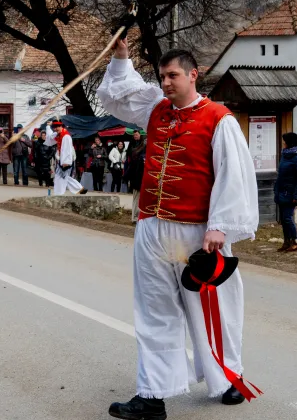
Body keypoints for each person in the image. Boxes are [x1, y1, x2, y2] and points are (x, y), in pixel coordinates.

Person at [96, 40, 259, 417]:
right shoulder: (155, 108)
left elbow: (234, 176)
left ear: (192, 75)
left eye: (173, 76)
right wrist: (121, 60)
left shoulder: (219, 118)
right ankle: (153, 394)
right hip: (152, 226)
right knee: (154, 310)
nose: (166, 83)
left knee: (211, 309)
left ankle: (229, 378)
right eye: (162, 76)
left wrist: (220, 225)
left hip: (197, 231)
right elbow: (118, 97)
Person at [275, 132, 297, 252]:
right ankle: (286, 241)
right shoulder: (284, 155)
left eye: (284, 141)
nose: (283, 143)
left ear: (289, 143)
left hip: (291, 193)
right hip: (281, 191)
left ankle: (295, 241)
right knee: (284, 219)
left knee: (288, 218)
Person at [45, 121, 87, 196]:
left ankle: (59, 193)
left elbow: (67, 151)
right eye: (55, 127)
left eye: (58, 126)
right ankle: (79, 189)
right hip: (62, 159)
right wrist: (48, 127)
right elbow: (50, 138)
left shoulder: (66, 136)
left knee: (61, 177)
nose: (56, 128)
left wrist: (65, 162)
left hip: (66, 160)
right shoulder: (58, 135)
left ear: (62, 126)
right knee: (62, 176)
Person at [125, 132, 146, 223]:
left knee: (139, 198)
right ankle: (135, 217)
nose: (135, 136)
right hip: (137, 177)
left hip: (140, 177)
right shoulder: (136, 152)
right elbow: (130, 165)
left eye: (136, 135)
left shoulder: (139, 153)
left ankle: (137, 217)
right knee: (136, 197)